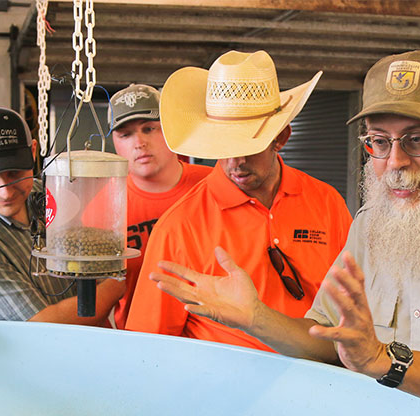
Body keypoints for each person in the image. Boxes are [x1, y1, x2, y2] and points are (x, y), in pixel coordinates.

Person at [148, 50, 420, 416]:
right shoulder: (371, 224)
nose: (395, 162)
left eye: (417, 139)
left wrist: (386, 360)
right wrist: (256, 318)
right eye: (379, 142)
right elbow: (332, 340)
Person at [126, 51, 353, 352]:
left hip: (322, 378)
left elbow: (357, 308)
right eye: (224, 145)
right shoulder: (179, 226)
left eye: (250, 145)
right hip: (223, 391)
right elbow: (148, 347)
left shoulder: (327, 203)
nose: (237, 161)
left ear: (281, 138)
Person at [0, 105, 124, 323]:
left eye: (15, 174)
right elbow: (43, 326)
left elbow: (90, 269)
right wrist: (120, 282)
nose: (5, 191)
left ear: (33, 151)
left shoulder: (47, 193)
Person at [108, 84, 211, 329]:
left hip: (216, 342)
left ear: (170, 129)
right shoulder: (103, 207)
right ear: (115, 143)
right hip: (141, 346)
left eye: (149, 129)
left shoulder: (214, 186)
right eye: (126, 134)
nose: (139, 143)